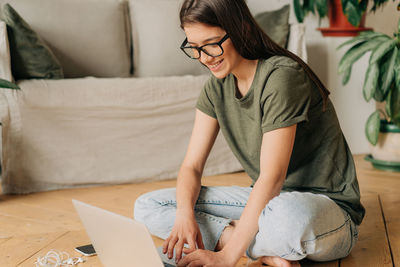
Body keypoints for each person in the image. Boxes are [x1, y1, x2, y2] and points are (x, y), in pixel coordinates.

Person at [134, 0, 365, 266]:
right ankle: (264, 250)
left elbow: (272, 178)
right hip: (267, 203)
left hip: (325, 210)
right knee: (148, 206)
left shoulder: (281, 76)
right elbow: (191, 166)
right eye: (194, 48)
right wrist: (185, 214)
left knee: (286, 218)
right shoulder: (215, 89)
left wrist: (226, 257)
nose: (205, 57)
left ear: (240, 29)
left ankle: (237, 240)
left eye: (211, 43)